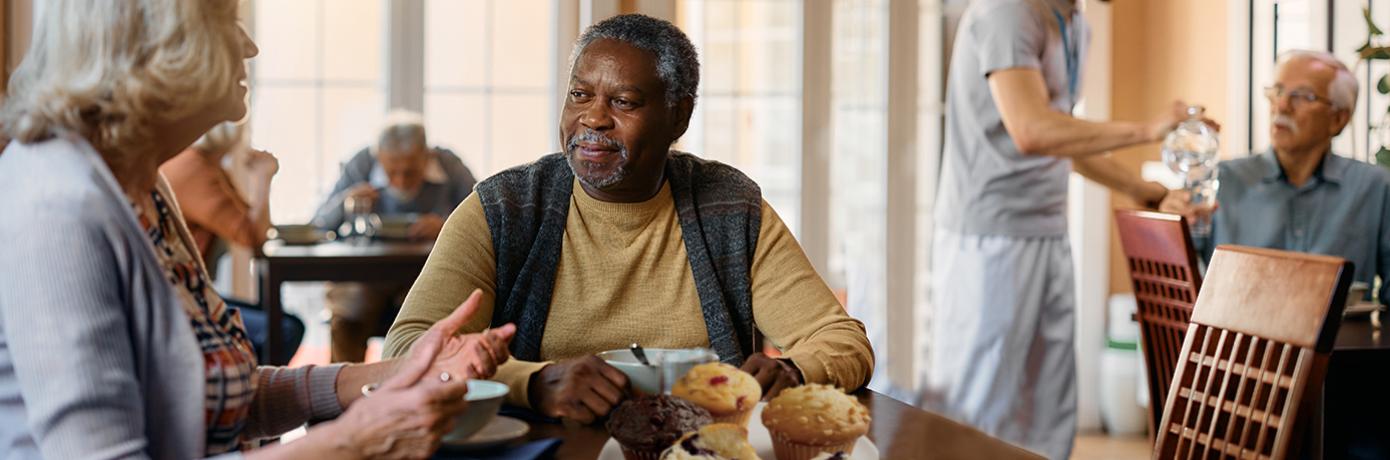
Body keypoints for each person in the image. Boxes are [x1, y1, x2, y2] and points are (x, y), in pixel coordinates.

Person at [0, 1, 515, 458]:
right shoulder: (58, 206)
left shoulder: (141, 181)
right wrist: (351, 441)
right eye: (224, 20)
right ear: (152, 39)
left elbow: (229, 399)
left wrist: (395, 372)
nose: (249, 45)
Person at [382, 14, 873, 424]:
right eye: (580, 95)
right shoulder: (504, 208)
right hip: (545, 445)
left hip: (695, 449)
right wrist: (530, 382)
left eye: (623, 102)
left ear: (678, 118)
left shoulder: (730, 207)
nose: (593, 118)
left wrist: (794, 371)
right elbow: (407, 349)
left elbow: (841, 341)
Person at [925, 0, 1213, 458]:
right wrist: (1146, 129)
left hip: (1048, 231)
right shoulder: (1009, 12)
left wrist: (1142, 190)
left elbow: (1065, 138)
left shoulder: (1076, 22)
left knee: (1049, 412)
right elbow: (1033, 130)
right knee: (977, 411)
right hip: (989, 238)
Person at [1162, 50, 1389, 301]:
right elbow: (1171, 284)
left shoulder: (1375, 187)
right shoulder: (1219, 179)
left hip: (1341, 341)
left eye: (1302, 96)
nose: (1281, 106)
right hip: (1238, 340)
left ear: (1338, 119)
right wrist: (1170, 230)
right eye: (1277, 92)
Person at [311, 112, 478, 363]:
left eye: (409, 172)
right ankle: (345, 392)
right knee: (348, 313)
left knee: (427, 313)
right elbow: (320, 223)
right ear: (379, 157)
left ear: (426, 156)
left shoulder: (449, 165)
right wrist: (347, 202)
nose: (400, 181)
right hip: (366, 276)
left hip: (425, 272)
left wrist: (448, 224)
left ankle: (423, 389)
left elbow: (483, 217)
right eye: (391, 172)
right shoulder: (362, 164)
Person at [161, 121, 306, 364]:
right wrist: (263, 177)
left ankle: (254, 392)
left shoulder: (205, 166)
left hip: (188, 290)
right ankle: (255, 397)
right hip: (177, 298)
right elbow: (252, 235)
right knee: (284, 329)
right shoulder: (195, 170)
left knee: (288, 323)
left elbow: (253, 226)